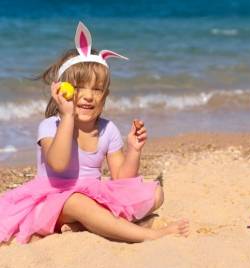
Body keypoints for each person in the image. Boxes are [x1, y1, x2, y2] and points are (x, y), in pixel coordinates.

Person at [0, 22, 189, 244]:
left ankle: (82, 226)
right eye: (79, 88)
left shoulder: (107, 129)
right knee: (77, 202)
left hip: (94, 197)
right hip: (52, 202)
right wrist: (68, 116)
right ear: (63, 91)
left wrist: (134, 151)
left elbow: (121, 179)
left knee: (155, 194)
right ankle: (150, 235)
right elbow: (58, 164)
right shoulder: (51, 125)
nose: (89, 96)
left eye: (97, 89)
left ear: (105, 96)